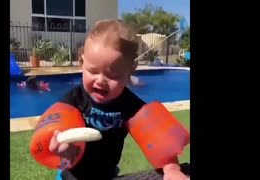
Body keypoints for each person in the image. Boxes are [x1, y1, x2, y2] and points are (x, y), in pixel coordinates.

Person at [49, 20, 188, 180]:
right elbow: (54, 131)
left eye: (112, 75)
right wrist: (58, 145)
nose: (100, 80)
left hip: (106, 175)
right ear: (82, 63)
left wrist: (171, 170)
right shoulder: (74, 99)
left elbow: (161, 143)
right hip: (71, 175)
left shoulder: (131, 106)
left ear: (130, 71)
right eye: (92, 71)